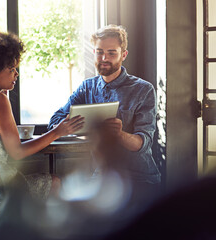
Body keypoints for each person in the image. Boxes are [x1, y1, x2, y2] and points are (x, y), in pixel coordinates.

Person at [0, 32, 84, 200]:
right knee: (55, 182)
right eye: (11, 69)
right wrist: (58, 131)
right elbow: (17, 152)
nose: (16, 74)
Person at [48, 25, 161, 204]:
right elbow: (54, 120)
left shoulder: (143, 89)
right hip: (101, 176)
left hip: (139, 177)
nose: (104, 58)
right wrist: (66, 125)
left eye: (111, 53)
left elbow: (142, 143)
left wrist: (119, 134)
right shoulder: (87, 87)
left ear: (124, 54)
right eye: (99, 52)